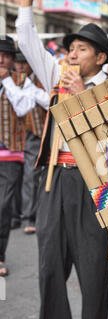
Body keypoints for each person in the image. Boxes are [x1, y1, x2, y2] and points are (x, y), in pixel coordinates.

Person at [16, 0, 108, 319]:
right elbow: (27, 42)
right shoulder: (58, 76)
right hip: (54, 182)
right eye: (71, 47)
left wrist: (85, 98)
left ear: (101, 58)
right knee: (50, 268)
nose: (72, 54)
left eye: (82, 49)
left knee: (94, 270)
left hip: (96, 187)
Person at [0, 36, 46, 277]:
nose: (2, 59)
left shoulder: (21, 82)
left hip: (10, 152)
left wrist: (7, 80)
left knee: (3, 206)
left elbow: (21, 107)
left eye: (6, 55)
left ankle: (0, 257)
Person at [14, 50, 49, 234]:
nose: (20, 66)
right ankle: (17, 215)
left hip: (34, 135)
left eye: (23, 63)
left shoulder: (39, 80)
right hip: (15, 135)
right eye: (18, 63)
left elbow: (47, 102)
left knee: (31, 176)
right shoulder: (11, 79)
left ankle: (29, 216)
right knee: (16, 176)